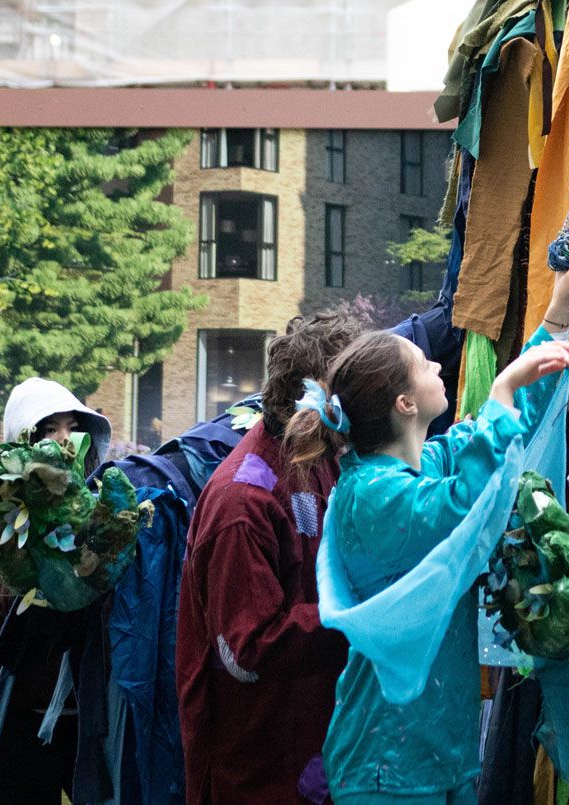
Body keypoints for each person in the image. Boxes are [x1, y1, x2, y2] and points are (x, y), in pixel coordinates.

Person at [287, 249, 569, 805]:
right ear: (405, 403)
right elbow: (463, 505)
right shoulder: (371, 497)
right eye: (425, 364)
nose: (438, 365)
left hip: (438, 751)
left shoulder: (409, 468)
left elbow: (484, 440)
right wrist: (501, 393)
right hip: (387, 765)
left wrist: (555, 316)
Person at [177, 306, 365, 805]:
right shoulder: (242, 502)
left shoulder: (313, 456)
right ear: (321, 404)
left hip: (311, 747)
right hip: (259, 770)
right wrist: (365, 614)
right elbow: (248, 646)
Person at [0, 378, 112, 805]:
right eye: (50, 429)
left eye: (72, 426)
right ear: (23, 438)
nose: (64, 440)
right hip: (14, 707)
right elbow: (19, 599)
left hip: (84, 709)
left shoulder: (99, 507)